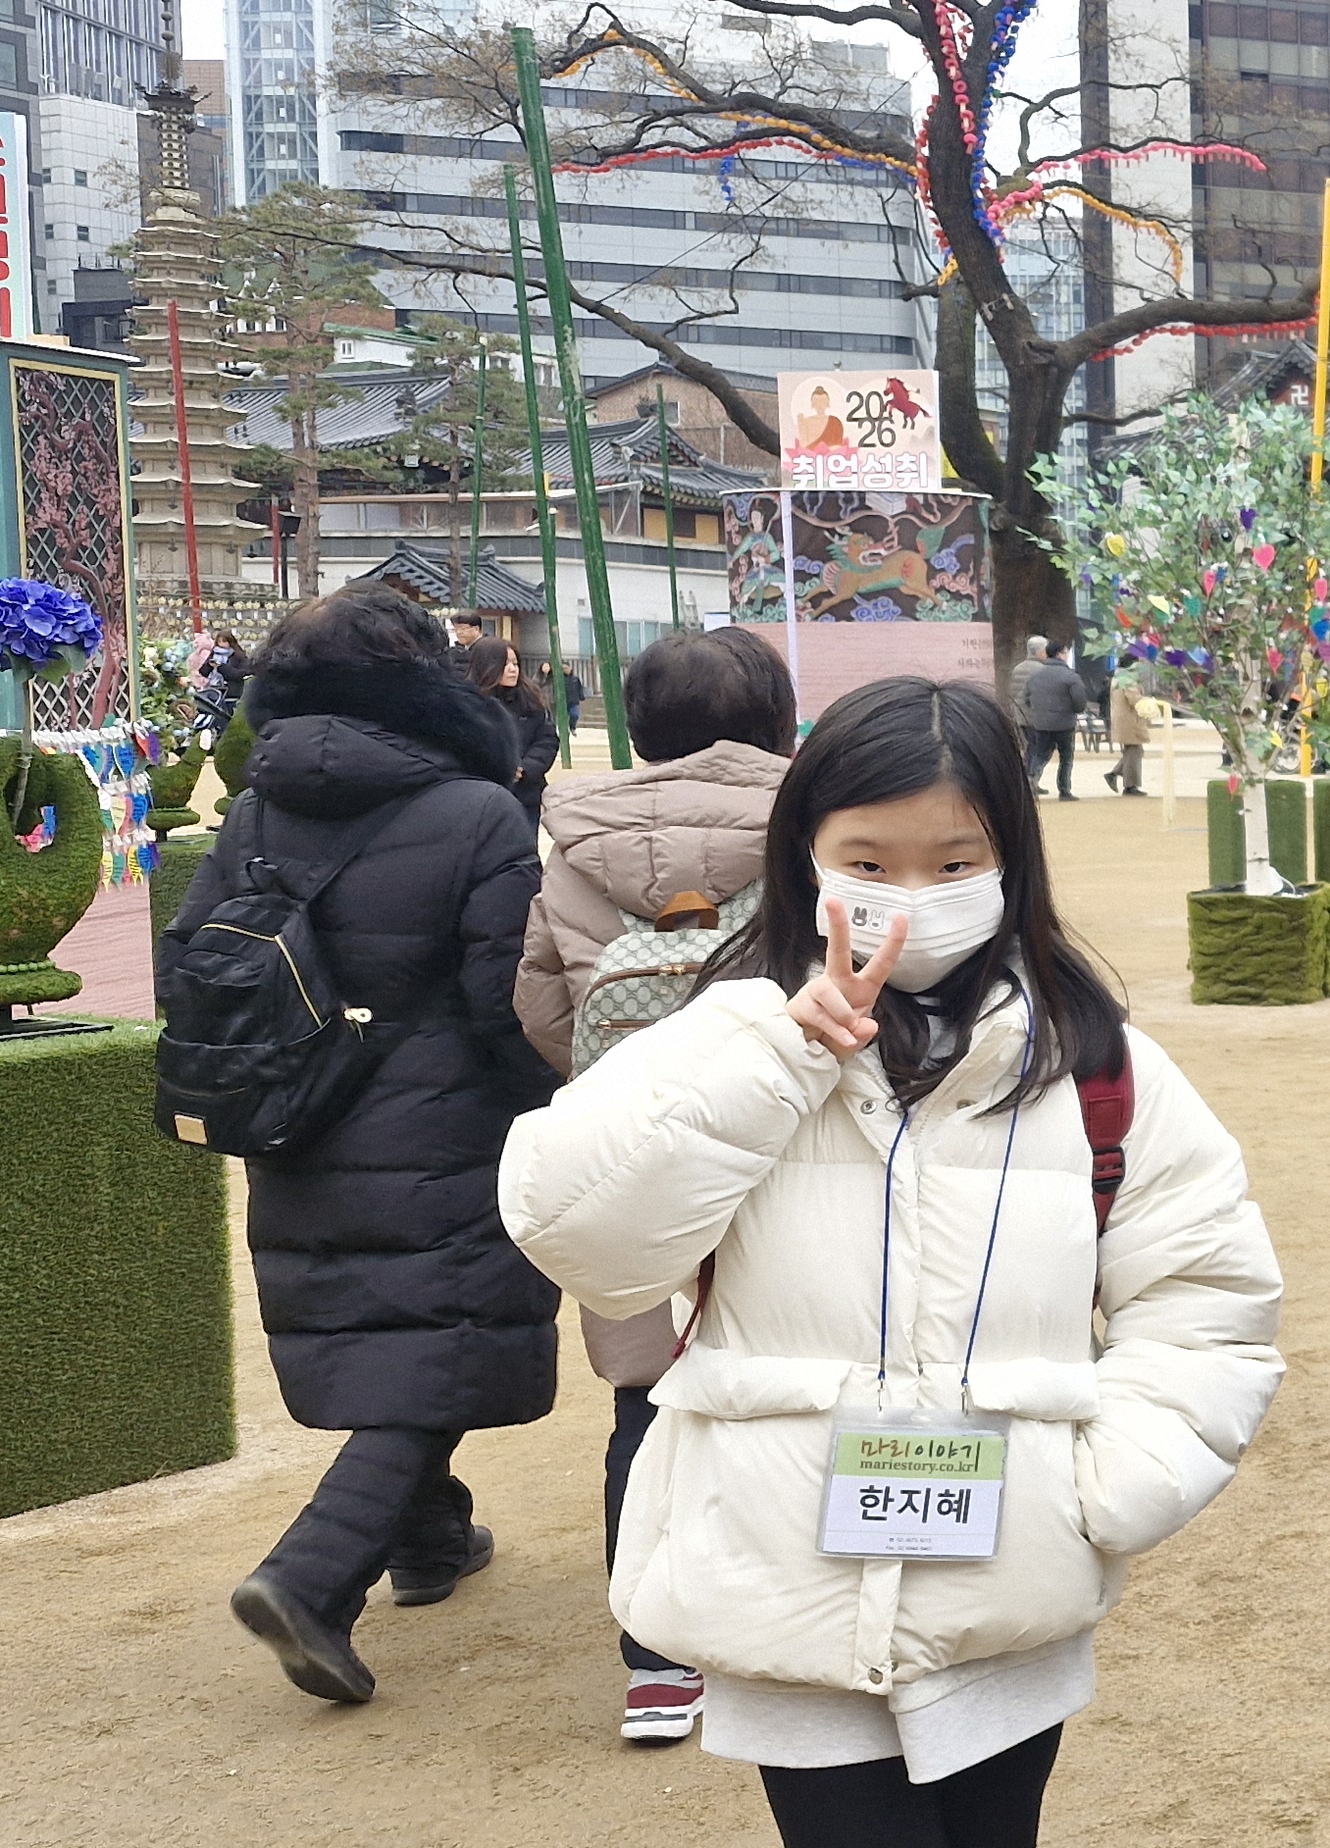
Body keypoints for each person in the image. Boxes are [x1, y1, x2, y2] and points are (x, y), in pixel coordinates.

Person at [499, 677, 1283, 1848]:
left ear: (1010, 861)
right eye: (868, 862)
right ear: (804, 857)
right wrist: (772, 1059)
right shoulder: (720, 1035)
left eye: (954, 863)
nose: (911, 897)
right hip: (787, 1590)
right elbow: (580, 1235)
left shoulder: (1097, 1067)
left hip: (1005, 1591)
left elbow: (1205, 1292)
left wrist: (1109, 1490)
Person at [188, 583, 568, 1706]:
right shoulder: (479, 811)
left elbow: (191, 954)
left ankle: (429, 1538)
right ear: (421, 680)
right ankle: (311, 1577)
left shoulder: (254, 808)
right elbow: (504, 999)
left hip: (299, 1109)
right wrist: (548, 1102)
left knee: (400, 1326)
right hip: (442, 1116)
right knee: (446, 1339)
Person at [511, 623, 802, 1743]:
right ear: (778, 721)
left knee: (647, 1405)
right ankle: (790, 1625)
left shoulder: (577, 840)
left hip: (635, 1164)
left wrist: (621, 1086)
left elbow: (542, 1005)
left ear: (638, 727)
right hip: (788, 1150)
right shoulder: (817, 824)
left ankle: (656, 1667)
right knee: (800, 1382)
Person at [463, 637, 560, 821]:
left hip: (525, 795)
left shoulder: (530, 700)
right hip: (480, 797)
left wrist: (525, 768)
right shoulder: (467, 703)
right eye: (505, 664)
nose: (513, 669)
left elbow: (547, 740)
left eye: (515, 664)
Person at [1012, 635, 1079, 799]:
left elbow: (1020, 694)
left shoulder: (1018, 668)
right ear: (1040, 652)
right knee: (1042, 752)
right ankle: (1032, 782)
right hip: (1039, 717)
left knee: (1033, 750)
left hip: (1023, 716)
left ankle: (1030, 782)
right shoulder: (1040, 670)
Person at [1105, 664, 1151, 798]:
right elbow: (1135, 700)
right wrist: (1149, 703)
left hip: (1124, 719)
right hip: (1130, 720)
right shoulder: (1127, 680)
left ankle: (1115, 773)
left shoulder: (1118, 678)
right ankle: (1130, 784)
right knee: (1134, 751)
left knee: (1133, 750)